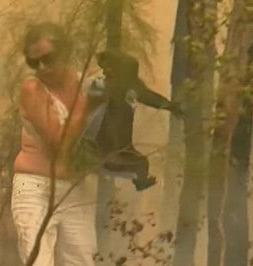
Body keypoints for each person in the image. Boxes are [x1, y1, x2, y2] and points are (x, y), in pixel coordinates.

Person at [12, 22, 98, 266]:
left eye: (48, 58)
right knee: (39, 261)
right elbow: (59, 142)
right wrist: (83, 106)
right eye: (33, 62)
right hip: (35, 187)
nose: (41, 67)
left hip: (76, 188)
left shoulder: (86, 83)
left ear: (65, 52)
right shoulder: (34, 89)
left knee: (81, 260)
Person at [77, 50, 183, 191]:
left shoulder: (124, 86)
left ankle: (139, 180)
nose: (105, 72)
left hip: (116, 144)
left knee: (141, 163)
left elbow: (149, 97)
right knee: (139, 163)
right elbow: (148, 97)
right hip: (105, 142)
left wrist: (170, 106)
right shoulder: (108, 85)